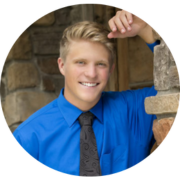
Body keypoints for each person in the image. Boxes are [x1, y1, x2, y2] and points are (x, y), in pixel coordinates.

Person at [13, 10, 159, 176]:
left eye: (101, 64)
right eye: (81, 62)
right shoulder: (28, 139)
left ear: (111, 69)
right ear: (62, 66)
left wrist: (146, 30)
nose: (91, 73)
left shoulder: (136, 110)